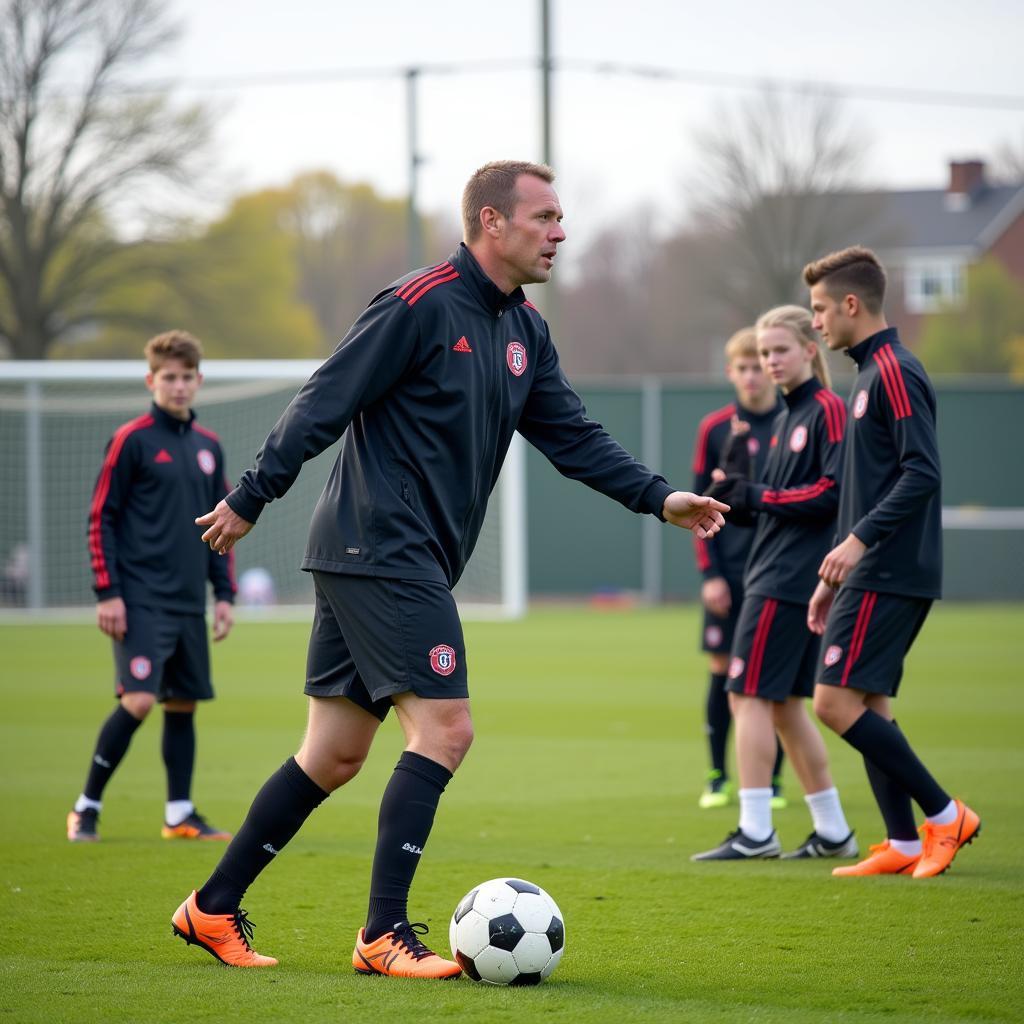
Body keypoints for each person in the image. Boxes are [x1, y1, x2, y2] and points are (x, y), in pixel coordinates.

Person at [169, 160, 729, 977]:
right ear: (492, 223)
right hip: (380, 547)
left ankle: (210, 909)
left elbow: (571, 437)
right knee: (447, 728)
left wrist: (657, 497)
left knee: (331, 755)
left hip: (392, 556)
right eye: (545, 218)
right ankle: (382, 934)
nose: (560, 233)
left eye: (562, 219)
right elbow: (322, 400)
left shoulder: (526, 331)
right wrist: (253, 495)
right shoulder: (420, 303)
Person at [804, 246, 980, 879]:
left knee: (830, 702)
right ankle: (904, 841)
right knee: (869, 702)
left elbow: (922, 471)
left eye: (821, 309)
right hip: (870, 569)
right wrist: (838, 569)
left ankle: (944, 813)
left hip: (890, 567)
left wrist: (859, 543)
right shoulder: (868, 372)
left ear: (853, 304)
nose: (816, 321)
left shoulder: (896, 371)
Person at [692, 306, 856, 861]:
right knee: (784, 704)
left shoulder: (828, 410)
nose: (769, 362)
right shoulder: (789, 415)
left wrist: (756, 496)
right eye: (763, 353)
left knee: (746, 695)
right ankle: (833, 831)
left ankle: (756, 831)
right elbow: (781, 502)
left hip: (785, 577)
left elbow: (833, 495)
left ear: (811, 349)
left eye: (779, 350)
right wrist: (735, 499)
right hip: (777, 571)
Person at [67, 331, 236, 843]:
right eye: (169, 377)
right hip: (139, 598)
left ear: (199, 380)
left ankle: (179, 814)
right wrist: (107, 592)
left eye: (187, 377)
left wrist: (223, 595)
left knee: (182, 702)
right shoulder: (131, 439)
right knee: (139, 699)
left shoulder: (209, 448)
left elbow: (221, 527)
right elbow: (102, 519)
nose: (179, 386)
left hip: (188, 602)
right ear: (151, 380)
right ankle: (86, 807)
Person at [691, 327, 787, 810]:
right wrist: (710, 574)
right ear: (731, 372)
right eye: (743, 368)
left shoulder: (793, 421)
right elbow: (696, 505)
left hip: (776, 569)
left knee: (775, 677)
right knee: (721, 672)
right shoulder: (715, 428)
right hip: (727, 573)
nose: (752, 376)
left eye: (759, 366)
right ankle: (716, 776)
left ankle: (773, 782)